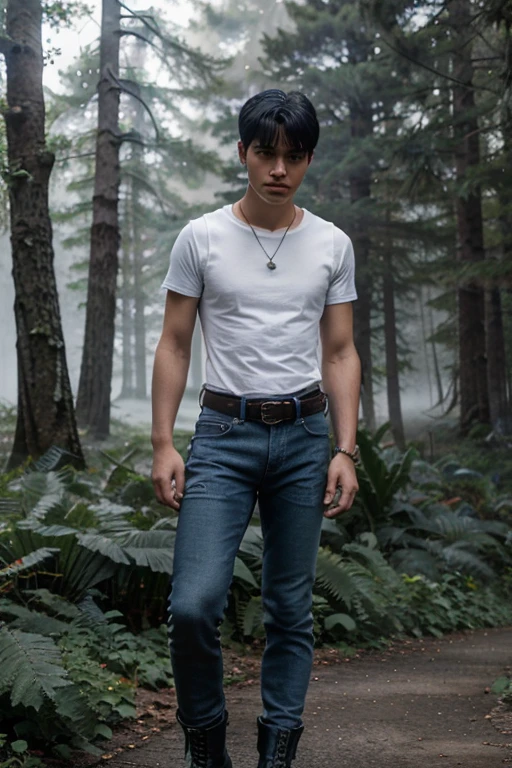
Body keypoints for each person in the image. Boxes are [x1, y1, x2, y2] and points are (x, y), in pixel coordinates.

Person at [151, 89, 360, 768]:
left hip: (303, 438)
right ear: (243, 152)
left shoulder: (331, 243)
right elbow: (175, 343)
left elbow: (339, 351)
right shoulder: (201, 238)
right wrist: (163, 442)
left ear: (307, 160)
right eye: (265, 153)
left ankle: (276, 755)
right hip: (223, 433)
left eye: (293, 156)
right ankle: (206, 745)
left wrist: (346, 450)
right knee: (194, 604)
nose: (278, 168)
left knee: (290, 611)